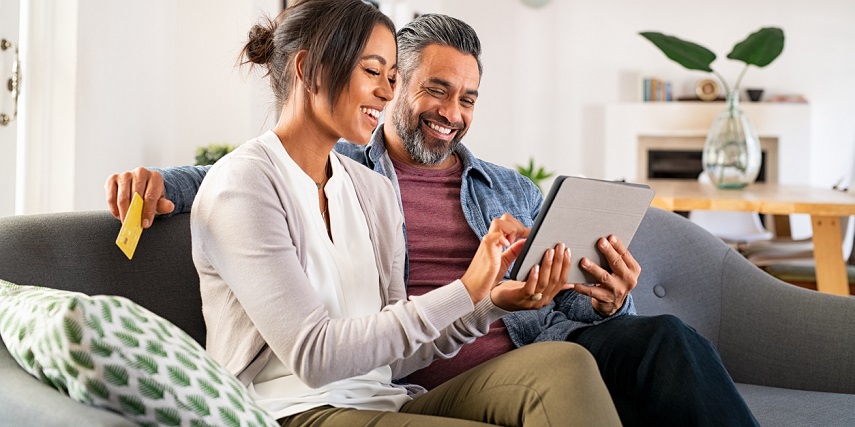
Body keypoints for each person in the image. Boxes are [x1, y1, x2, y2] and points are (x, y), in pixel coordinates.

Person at [106, 11, 758, 427]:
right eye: (420, 84)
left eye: (467, 96)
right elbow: (244, 181)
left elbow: (527, 304)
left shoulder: (379, 191)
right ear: (309, 71)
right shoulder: (269, 178)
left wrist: (564, 302)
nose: (445, 107)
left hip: (443, 371)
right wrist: (161, 184)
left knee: (624, 348)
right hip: (317, 399)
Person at [167, 1, 622, 426]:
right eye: (374, 72)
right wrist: (464, 289)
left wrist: (489, 301)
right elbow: (313, 356)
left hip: (385, 399)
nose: (388, 91)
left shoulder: (371, 189)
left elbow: (397, 357)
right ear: (308, 70)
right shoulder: (242, 184)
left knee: (566, 364)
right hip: (292, 410)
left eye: (392, 75)